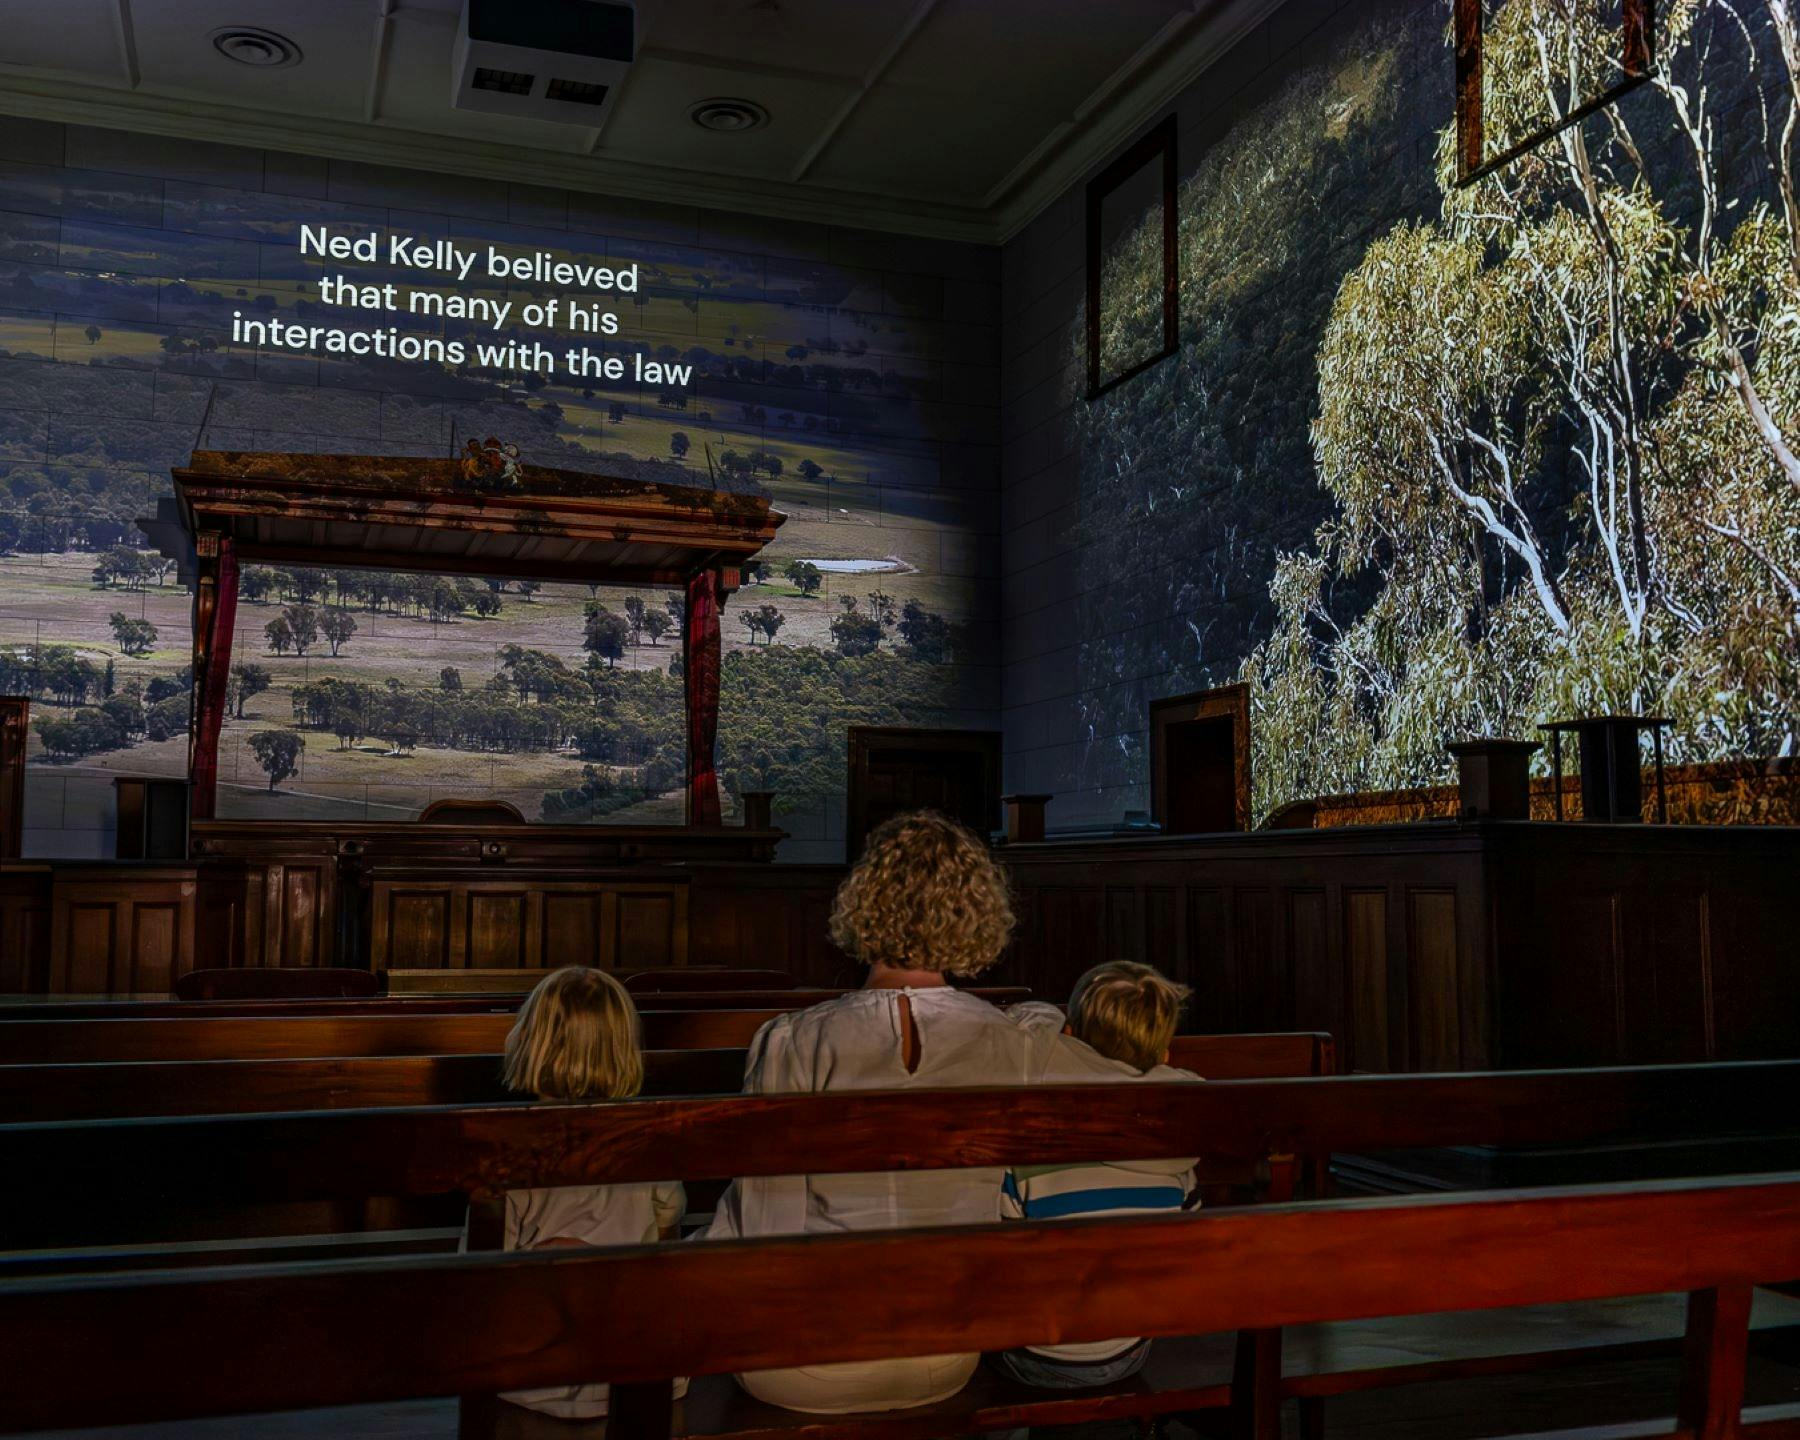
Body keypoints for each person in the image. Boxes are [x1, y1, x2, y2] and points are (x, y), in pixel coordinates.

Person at [703, 810, 1104, 1415]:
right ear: (977, 911)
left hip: (806, 1359)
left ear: (864, 900)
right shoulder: (1013, 1044)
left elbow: (764, 1221)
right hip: (948, 1352)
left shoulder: (793, 1039)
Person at [480, 965, 686, 1424]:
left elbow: (487, 1266)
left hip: (539, 1368)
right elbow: (669, 1229)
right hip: (634, 1369)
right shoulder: (650, 1135)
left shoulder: (511, 1143)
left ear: (531, 1042)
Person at [994, 961, 1200, 1391]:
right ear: (1165, 1053)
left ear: (1069, 1038)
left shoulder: (1033, 1133)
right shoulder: (1178, 1144)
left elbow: (999, 1254)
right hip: (1130, 1348)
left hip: (1033, 1354)